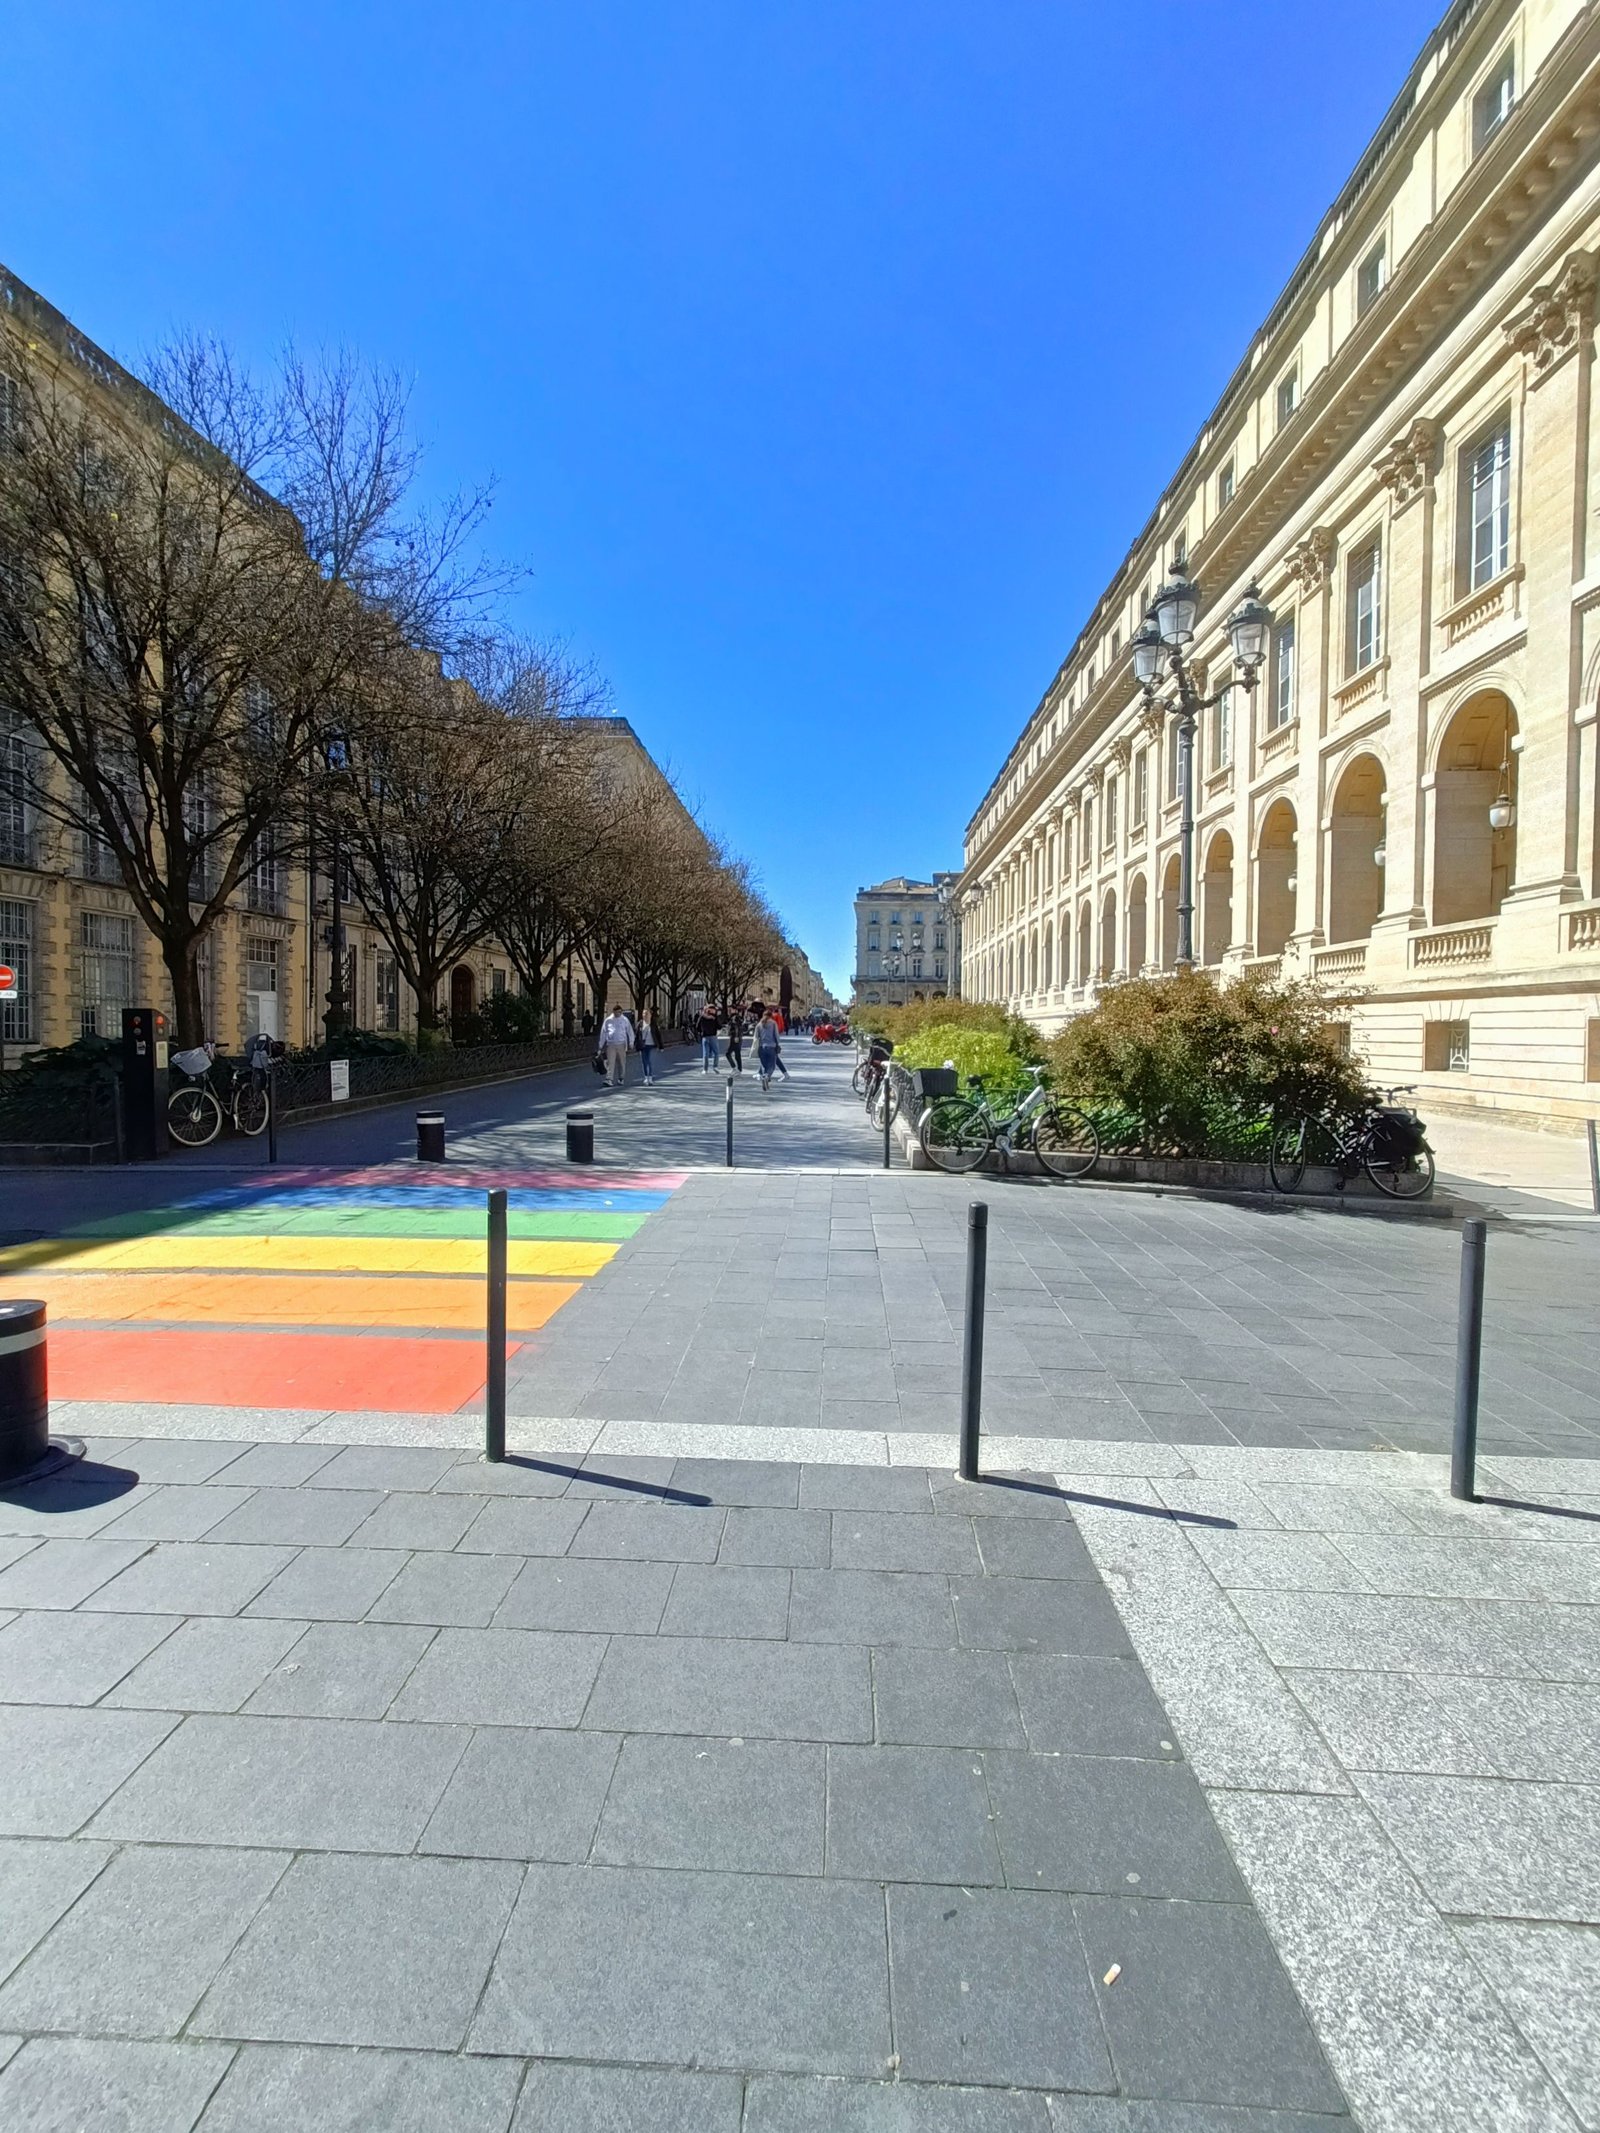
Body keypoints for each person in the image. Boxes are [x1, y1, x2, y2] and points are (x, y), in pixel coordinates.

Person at [599, 1003, 634, 1088]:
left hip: (621, 1044)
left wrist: (631, 1042)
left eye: (619, 1012)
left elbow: (630, 1031)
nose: (618, 1014)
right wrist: (600, 1045)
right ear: (613, 1012)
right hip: (611, 1044)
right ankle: (609, 1079)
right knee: (610, 1062)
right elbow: (603, 1033)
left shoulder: (625, 1020)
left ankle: (621, 1077)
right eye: (616, 1012)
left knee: (621, 1062)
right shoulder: (608, 1020)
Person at [756, 1008, 781, 1090]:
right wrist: (778, 1044)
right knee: (772, 1066)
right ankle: (766, 1076)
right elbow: (776, 1035)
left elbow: (756, 1037)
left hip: (762, 1047)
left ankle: (764, 1077)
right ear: (771, 1016)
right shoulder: (773, 1023)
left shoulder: (759, 1024)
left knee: (764, 1065)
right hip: (771, 1047)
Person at [697, 1002, 720, 1072]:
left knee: (705, 1054)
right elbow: (719, 1026)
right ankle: (715, 1067)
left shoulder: (702, 1017)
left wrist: (702, 1031)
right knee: (716, 1053)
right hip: (713, 1036)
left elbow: (697, 1027)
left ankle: (705, 1069)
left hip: (705, 1037)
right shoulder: (714, 1018)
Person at [637, 1006, 657, 1084]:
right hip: (643, 1045)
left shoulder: (653, 1024)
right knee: (644, 1062)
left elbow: (657, 1035)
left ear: (650, 1015)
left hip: (651, 1045)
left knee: (649, 1061)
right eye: (644, 1013)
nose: (645, 1015)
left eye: (647, 1013)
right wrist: (635, 1044)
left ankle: (650, 1077)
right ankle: (646, 1077)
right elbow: (637, 1035)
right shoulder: (640, 1024)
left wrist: (661, 1046)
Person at [725, 1005, 744, 1076]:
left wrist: (736, 1036)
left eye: (731, 1009)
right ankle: (738, 1069)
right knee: (737, 1054)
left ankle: (736, 1068)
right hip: (737, 1037)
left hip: (735, 1037)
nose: (730, 1010)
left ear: (735, 1010)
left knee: (729, 1053)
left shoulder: (735, 1017)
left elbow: (736, 1027)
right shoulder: (735, 1017)